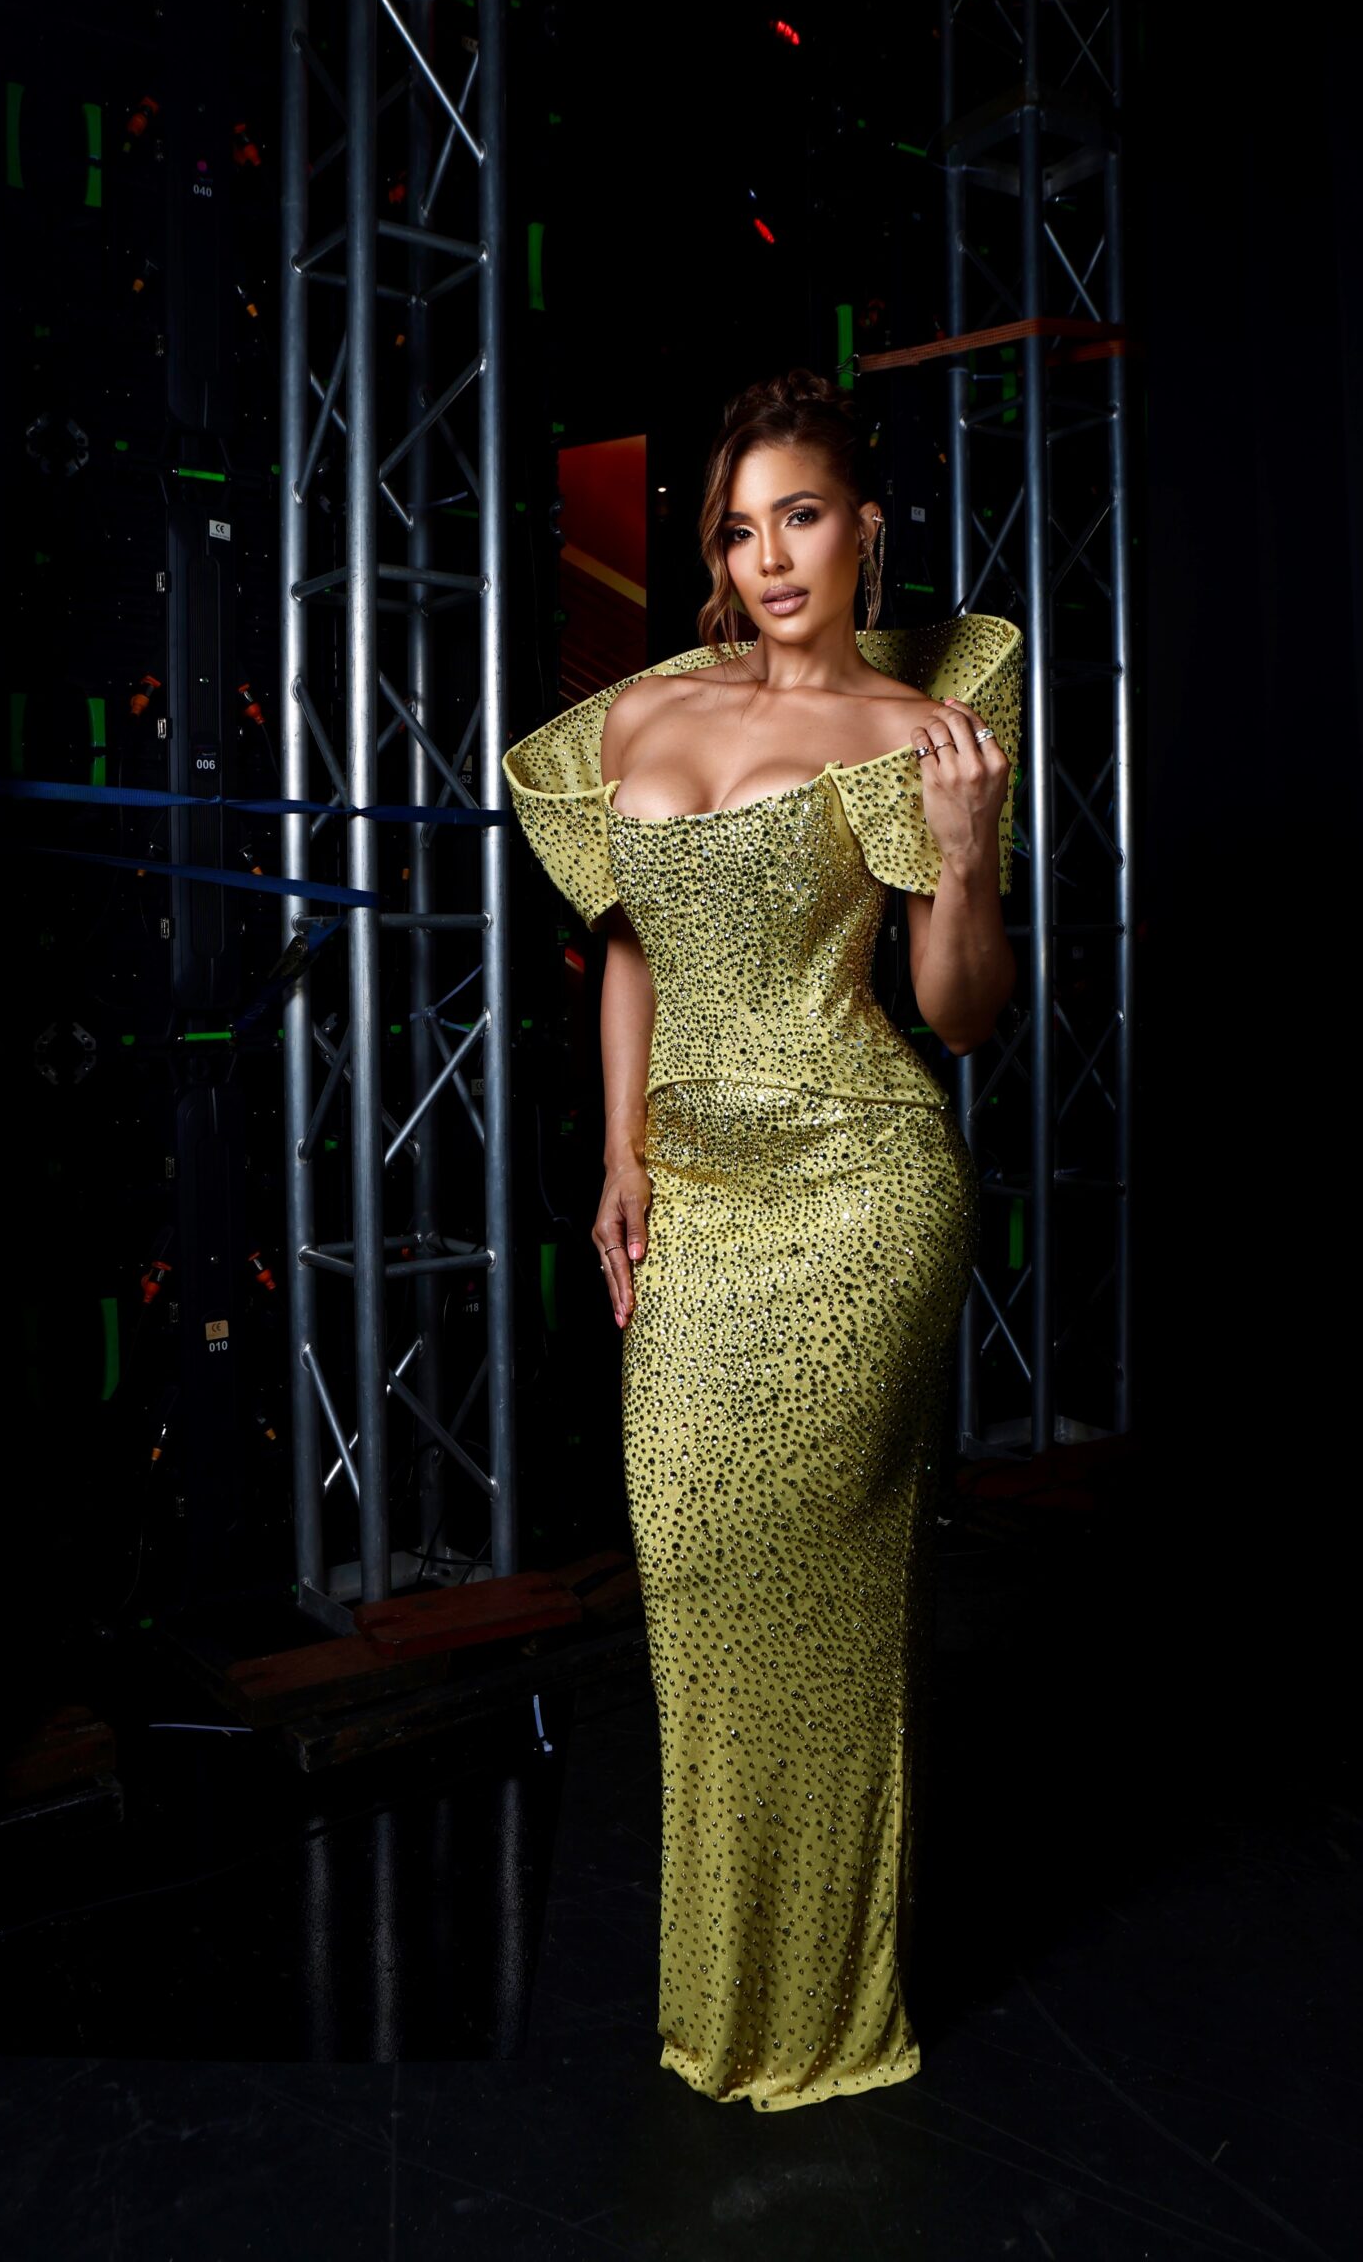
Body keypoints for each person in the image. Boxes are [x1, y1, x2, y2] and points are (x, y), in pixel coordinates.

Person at [502, 368, 1024, 2111]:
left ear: (866, 527)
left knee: (825, 1584)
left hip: (860, 1191)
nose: (772, 556)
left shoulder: (916, 732)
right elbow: (628, 940)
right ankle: (730, 1996)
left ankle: (825, 2019)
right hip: (701, 1202)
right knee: (695, 1565)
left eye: (802, 515)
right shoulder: (646, 709)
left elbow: (960, 1018)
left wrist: (966, 857)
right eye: (740, 529)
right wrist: (620, 1151)